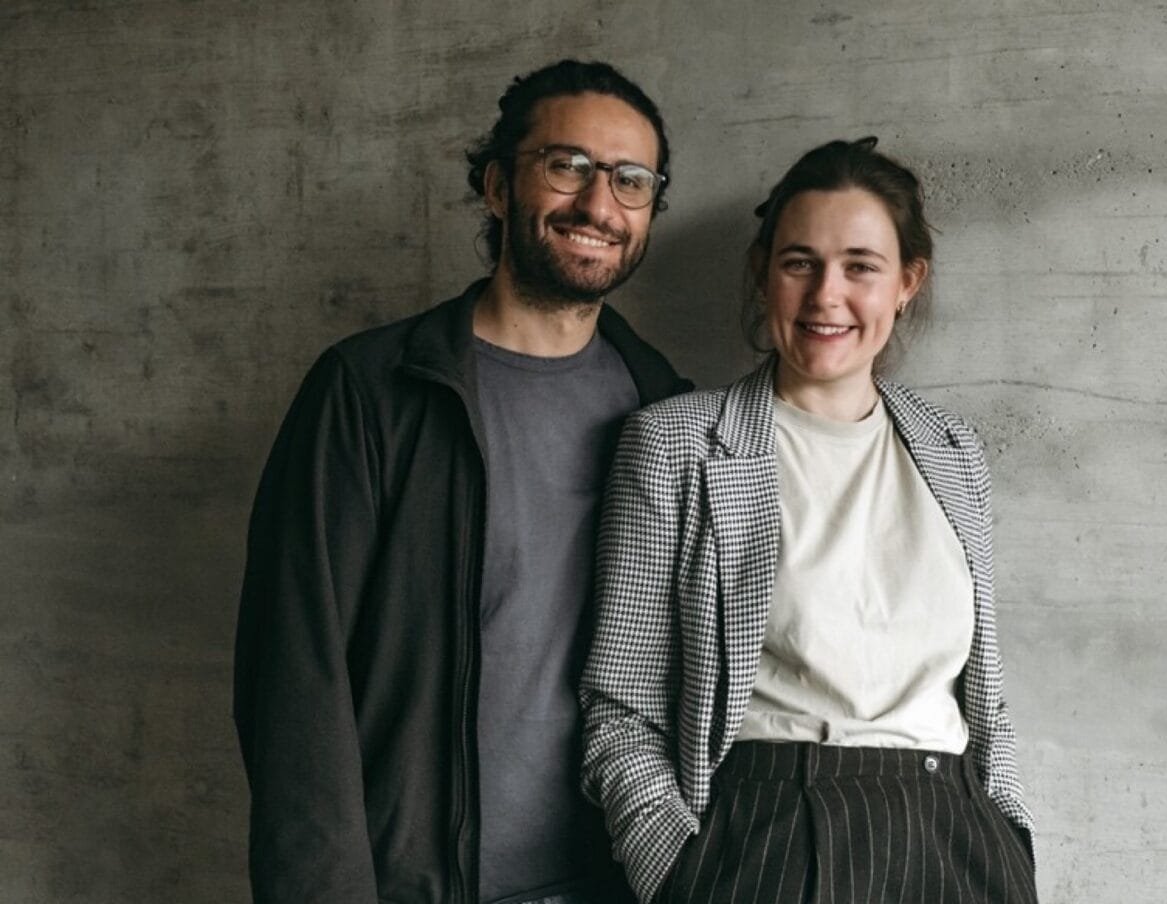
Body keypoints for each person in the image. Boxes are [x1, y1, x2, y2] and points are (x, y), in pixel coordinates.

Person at [234, 59, 690, 904]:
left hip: (619, 883)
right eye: (567, 167)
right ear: (495, 186)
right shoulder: (372, 391)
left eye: (631, 182)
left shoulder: (670, 414)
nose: (598, 205)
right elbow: (293, 679)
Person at [580, 137, 1038, 904]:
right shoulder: (674, 445)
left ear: (906, 283)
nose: (828, 295)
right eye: (800, 262)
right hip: (772, 838)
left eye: (861, 265)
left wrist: (1009, 831)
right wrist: (683, 878)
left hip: (960, 842)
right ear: (764, 276)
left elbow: (984, 696)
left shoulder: (954, 451)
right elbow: (620, 705)